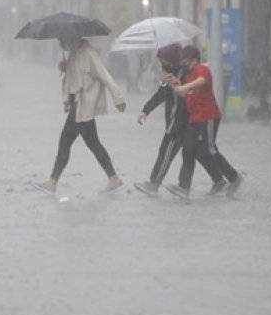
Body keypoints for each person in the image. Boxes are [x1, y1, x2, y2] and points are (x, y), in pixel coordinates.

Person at [32, 37, 126, 195]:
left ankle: (52, 183)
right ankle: (114, 179)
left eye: (65, 40)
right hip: (77, 106)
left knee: (66, 142)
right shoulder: (74, 52)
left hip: (83, 107)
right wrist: (65, 68)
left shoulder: (88, 52)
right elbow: (74, 77)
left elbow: (103, 73)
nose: (64, 43)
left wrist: (118, 97)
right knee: (92, 144)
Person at [135, 43, 224, 196]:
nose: (162, 64)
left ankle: (155, 184)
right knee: (197, 153)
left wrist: (174, 84)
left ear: (172, 59)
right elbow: (161, 94)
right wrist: (145, 110)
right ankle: (218, 180)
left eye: (164, 61)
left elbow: (185, 96)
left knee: (168, 152)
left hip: (181, 123)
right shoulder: (170, 74)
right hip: (183, 122)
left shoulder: (186, 73)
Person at [162, 45, 245, 202]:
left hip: (208, 117)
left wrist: (184, 85)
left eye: (186, 62)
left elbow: (201, 81)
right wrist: (173, 83)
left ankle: (233, 177)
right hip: (195, 119)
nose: (184, 65)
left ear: (194, 60)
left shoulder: (202, 69)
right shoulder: (189, 76)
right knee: (188, 150)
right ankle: (184, 187)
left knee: (209, 149)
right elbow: (182, 93)